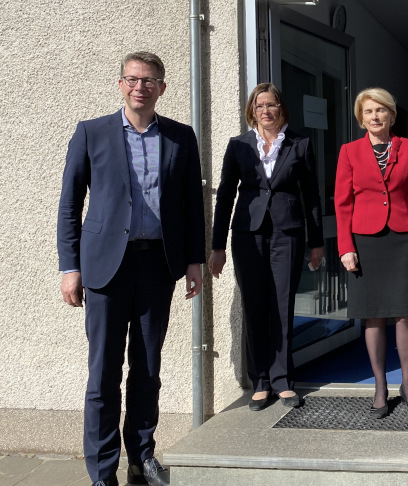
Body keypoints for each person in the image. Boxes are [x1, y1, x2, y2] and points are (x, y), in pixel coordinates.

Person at [57, 51, 205, 486]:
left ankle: (142, 457)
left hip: (157, 265)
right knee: (104, 372)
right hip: (105, 269)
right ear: (121, 84)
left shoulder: (180, 136)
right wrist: (70, 267)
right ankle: (103, 472)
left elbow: (191, 205)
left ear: (162, 87)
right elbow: (70, 204)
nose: (141, 87)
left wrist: (193, 260)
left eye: (149, 80)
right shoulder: (92, 133)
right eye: (133, 79)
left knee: (147, 368)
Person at [209, 83, 324, 412]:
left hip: (288, 234)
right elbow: (225, 196)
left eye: (271, 104)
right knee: (255, 305)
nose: (266, 111)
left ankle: (283, 380)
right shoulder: (239, 145)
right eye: (259, 106)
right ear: (252, 111)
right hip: (248, 235)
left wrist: (316, 242)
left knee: (282, 305)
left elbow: (311, 197)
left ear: (281, 108)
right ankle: (260, 381)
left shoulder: (299, 144)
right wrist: (217, 246)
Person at [335, 88, 408, 419]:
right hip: (365, 242)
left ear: (391, 115)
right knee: (373, 315)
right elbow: (342, 204)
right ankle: (380, 387)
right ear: (361, 119)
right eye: (368, 112)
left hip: (403, 239)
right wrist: (346, 247)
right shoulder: (349, 152)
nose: (375, 116)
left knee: (406, 314)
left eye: (380, 110)